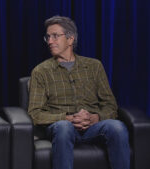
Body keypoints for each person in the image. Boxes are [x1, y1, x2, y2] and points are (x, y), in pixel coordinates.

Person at [28, 15, 130, 169]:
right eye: (47, 37)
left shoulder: (94, 66)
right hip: (61, 127)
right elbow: (35, 114)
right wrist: (67, 118)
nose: (49, 41)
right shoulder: (40, 71)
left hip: (93, 127)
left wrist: (95, 118)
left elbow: (110, 106)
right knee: (64, 127)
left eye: (55, 36)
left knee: (117, 127)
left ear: (70, 39)